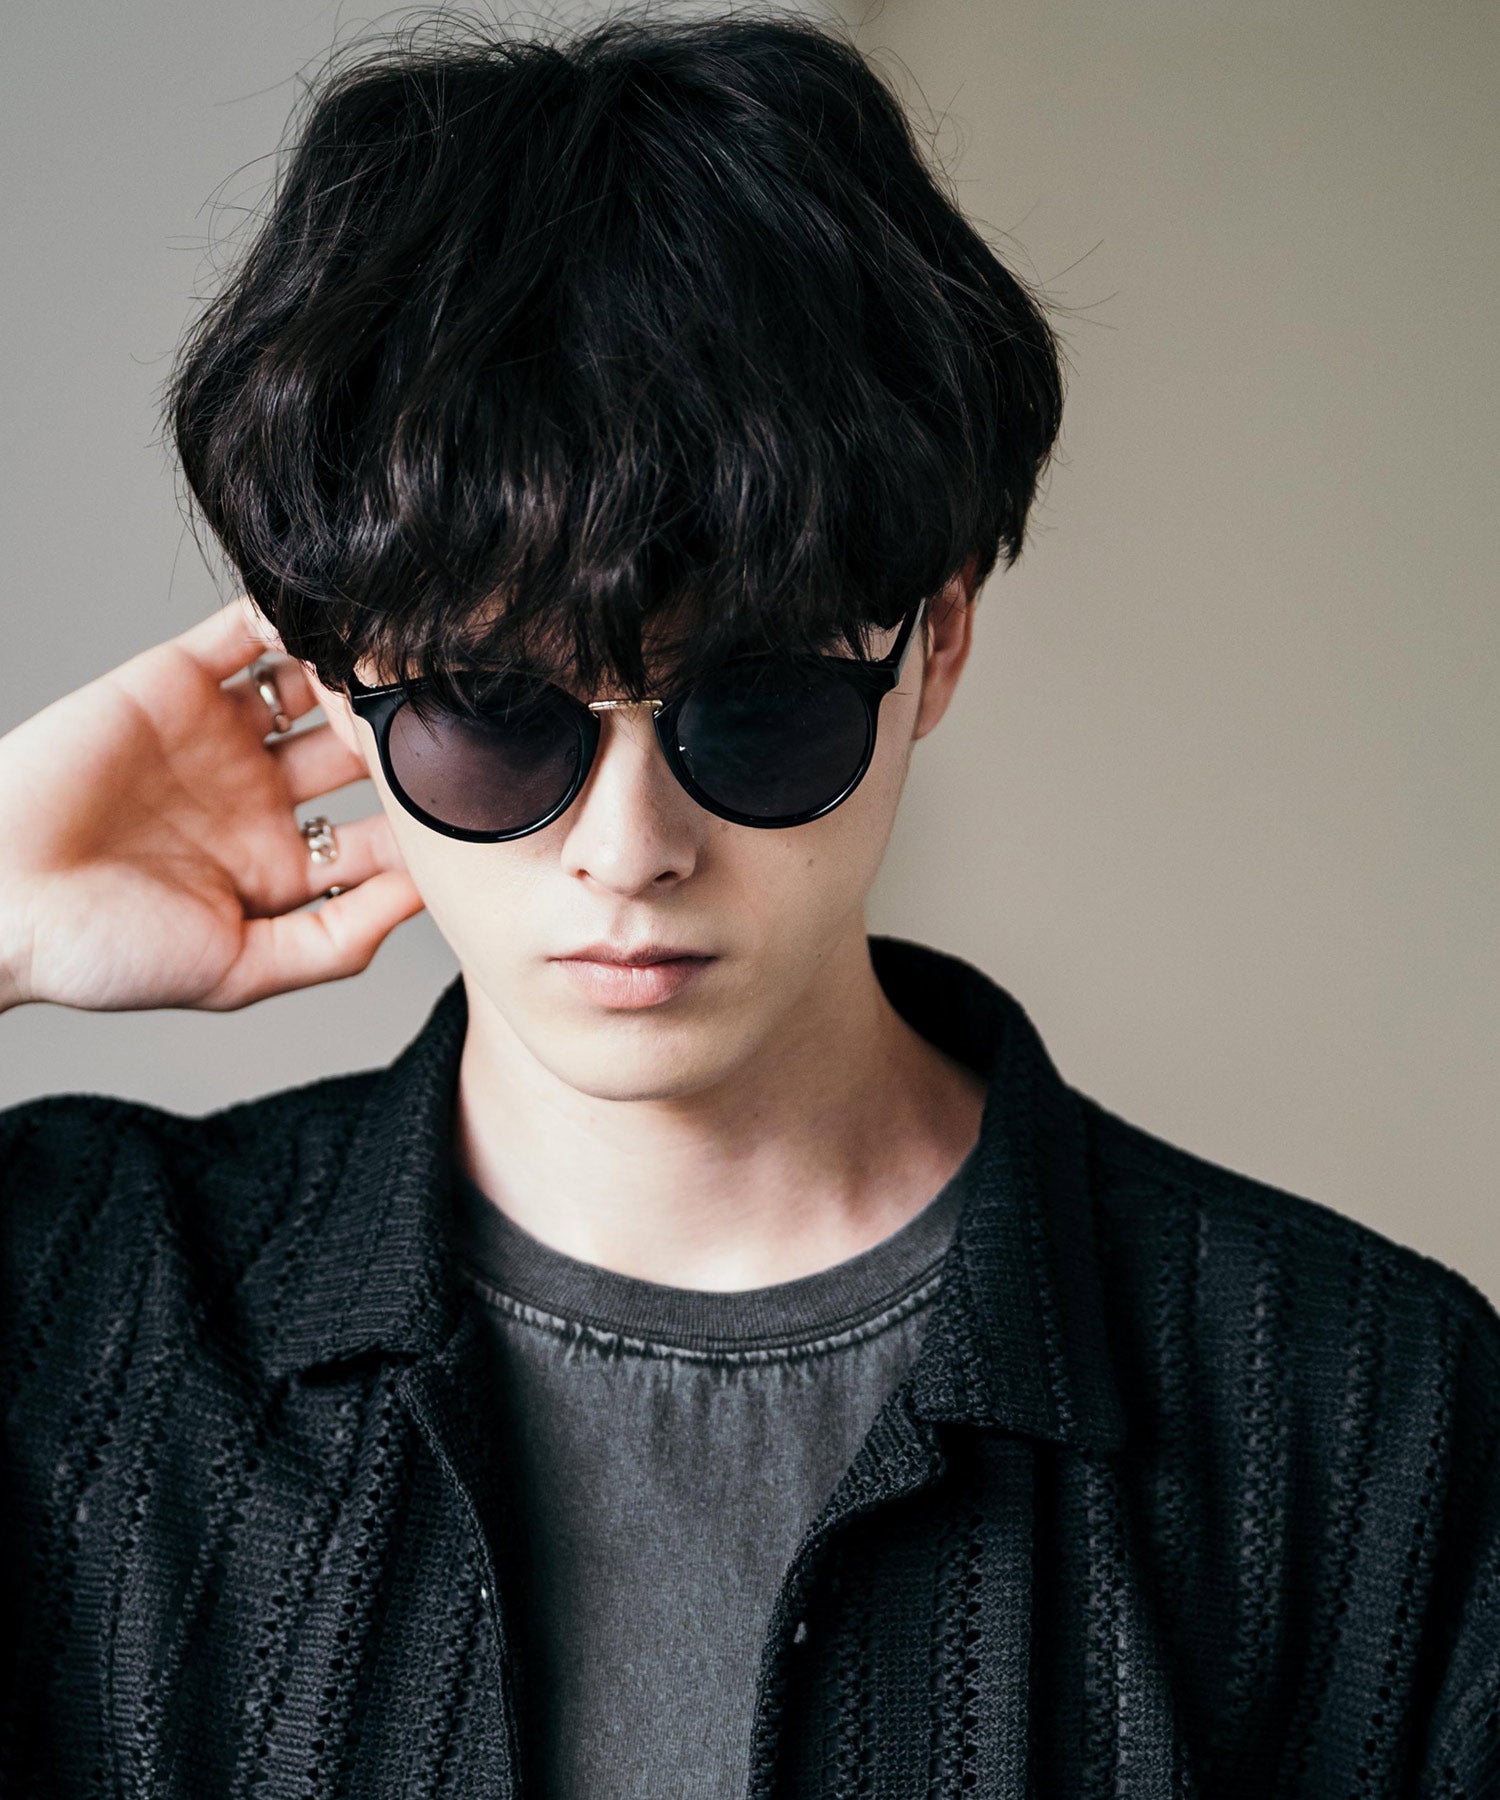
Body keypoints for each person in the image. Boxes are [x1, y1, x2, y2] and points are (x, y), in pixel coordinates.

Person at [1, 11, 1496, 1798]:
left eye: (761, 704)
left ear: (940, 642)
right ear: (333, 694)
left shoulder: (1361, 1411)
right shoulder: (74, 1306)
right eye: (490, 713)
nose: (629, 848)